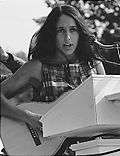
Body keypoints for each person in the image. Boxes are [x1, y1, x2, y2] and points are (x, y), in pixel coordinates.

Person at [1, 4, 105, 155]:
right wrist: (28, 117)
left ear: (80, 32)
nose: (67, 37)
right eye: (61, 31)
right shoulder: (37, 67)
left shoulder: (94, 65)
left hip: (92, 149)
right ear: (52, 34)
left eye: (73, 30)